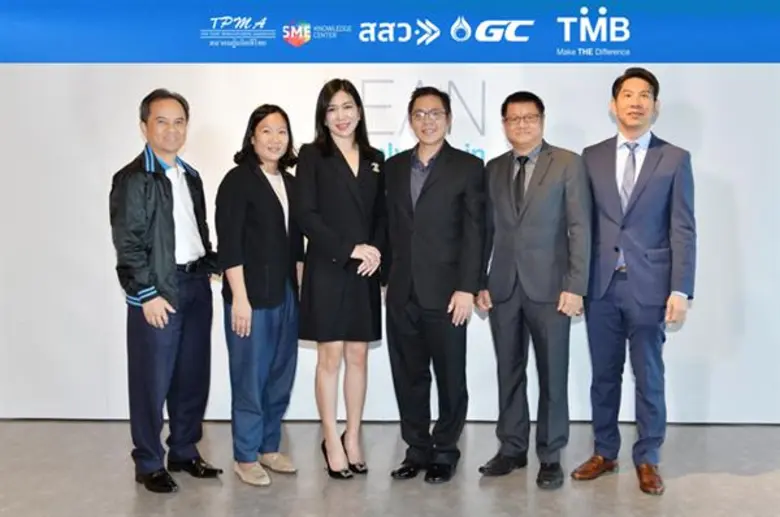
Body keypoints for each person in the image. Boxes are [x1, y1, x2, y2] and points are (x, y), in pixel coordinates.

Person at [570, 67, 696, 495]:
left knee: (649, 376)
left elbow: (683, 228)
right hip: (601, 285)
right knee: (604, 376)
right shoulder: (591, 157)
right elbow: (580, 225)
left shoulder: (675, 158)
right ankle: (605, 452)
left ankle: (647, 457)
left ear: (655, 106)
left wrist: (680, 289)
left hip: (650, 287)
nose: (636, 102)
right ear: (614, 105)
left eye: (645, 95)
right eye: (628, 94)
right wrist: (575, 281)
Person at [109, 88, 223, 494]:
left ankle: (184, 451)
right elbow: (128, 243)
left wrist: (212, 264)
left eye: (179, 122)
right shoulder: (132, 178)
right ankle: (148, 462)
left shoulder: (191, 176)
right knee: (151, 380)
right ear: (145, 127)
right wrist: (147, 294)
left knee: (192, 376)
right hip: (159, 291)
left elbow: (196, 231)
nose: (172, 130)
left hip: (196, 286)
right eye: (162, 121)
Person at [476, 91, 591, 489]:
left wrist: (576, 286)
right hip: (503, 288)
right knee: (509, 372)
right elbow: (485, 231)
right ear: (504, 124)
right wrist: (479, 282)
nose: (521, 124)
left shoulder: (568, 163)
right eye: (514, 118)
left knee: (552, 375)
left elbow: (580, 227)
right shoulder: (493, 168)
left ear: (542, 120)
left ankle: (550, 454)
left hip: (552, 290)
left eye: (529, 117)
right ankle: (511, 449)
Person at [383, 86, 485, 484]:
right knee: (408, 376)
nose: (428, 121)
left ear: (449, 119)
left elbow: (476, 232)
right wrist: (385, 277)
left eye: (435, 113)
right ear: (411, 120)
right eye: (420, 114)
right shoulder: (393, 167)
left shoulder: (467, 167)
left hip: (447, 293)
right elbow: (387, 226)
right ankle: (416, 448)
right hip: (402, 290)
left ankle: (445, 449)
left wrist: (467, 287)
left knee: (450, 376)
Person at [295, 78, 387, 480]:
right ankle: (331, 439)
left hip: (365, 269)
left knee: (358, 356)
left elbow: (383, 214)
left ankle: (353, 436)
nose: (341, 116)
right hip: (329, 267)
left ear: (359, 112)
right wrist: (350, 248)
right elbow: (305, 215)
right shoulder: (312, 155)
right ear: (323, 116)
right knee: (330, 358)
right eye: (331, 109)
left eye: (347, 106)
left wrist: (376, 250)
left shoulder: (375, 158)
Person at [214, 104, 304, 487]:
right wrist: (240, 298)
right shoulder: (238, 181)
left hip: (285, 294)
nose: (275, 138)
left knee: (280, 375)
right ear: (252, 137)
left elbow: (296, 246)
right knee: (250, 377)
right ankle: (246, 455)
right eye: (266, 130)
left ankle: (269, 447)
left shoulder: (291, 183)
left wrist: (300, 292)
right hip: (250, 297)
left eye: (282, 131)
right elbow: (229, 244)